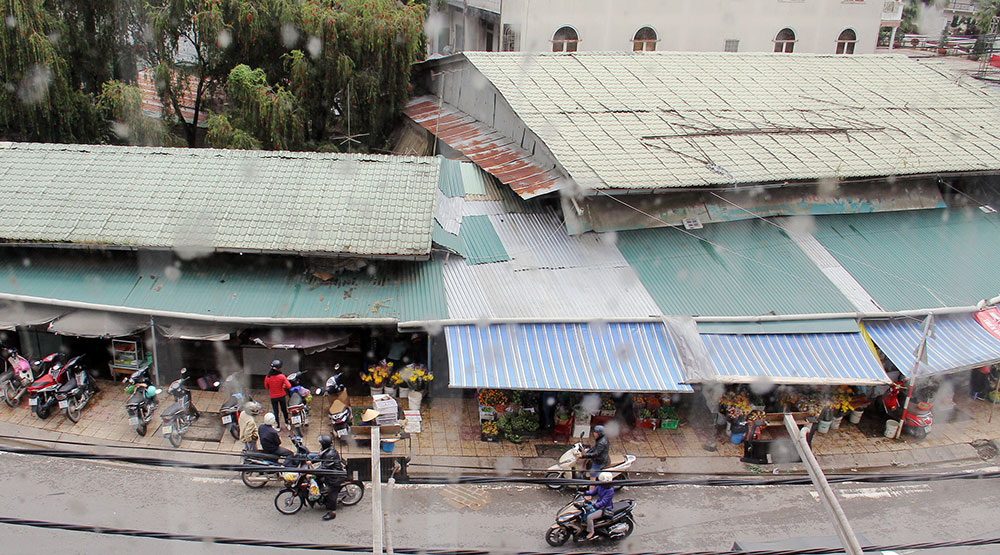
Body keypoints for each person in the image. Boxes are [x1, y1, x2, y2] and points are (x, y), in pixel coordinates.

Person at [316, 434, 346, 521]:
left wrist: (311, 473)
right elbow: (319, 456)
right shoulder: (326, 450)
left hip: (334, 477)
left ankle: (332, 512)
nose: (319, 445)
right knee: (317, 478)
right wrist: (310, 460)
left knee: (331, 494)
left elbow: (323, 468)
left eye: (320, 443)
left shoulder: (330, 454)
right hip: (329, 473)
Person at [583, 472, 615, 540]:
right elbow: (593, 492)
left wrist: (595, 506)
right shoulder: (600, 486)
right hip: (598, 505)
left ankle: (591, 531)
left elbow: (604, 502)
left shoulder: (610, 491)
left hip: (604, 508)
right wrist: (584, 492)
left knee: (589, 517)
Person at [264, 360, 291, 430]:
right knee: (284, 410)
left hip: (273, 396)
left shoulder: (268, 377)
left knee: (276, 411)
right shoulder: (282, 376)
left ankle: (278, 426)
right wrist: (283, 386)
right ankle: (287, 423)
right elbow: (289, 386)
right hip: (281, 396)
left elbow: (266, 387)